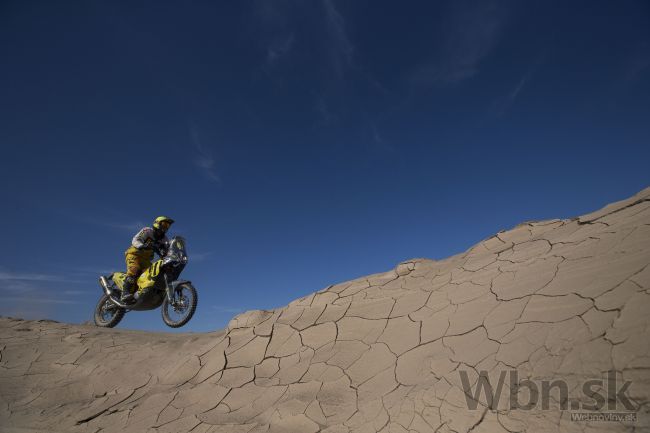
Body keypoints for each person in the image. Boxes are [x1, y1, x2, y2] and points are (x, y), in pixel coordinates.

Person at [121, 216, 174, 302]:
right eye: (164, 224)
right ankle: (125, 293)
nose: (165, 227)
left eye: (167, 226)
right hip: (134, 254)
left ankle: (139, 293)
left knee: (152, 274)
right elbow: (135, 240)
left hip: (146, 260)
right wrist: (142, 245)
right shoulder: (147, 231)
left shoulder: (164, 239)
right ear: (157, 223)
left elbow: (167, 251)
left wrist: (170, 257)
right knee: (135, 269)